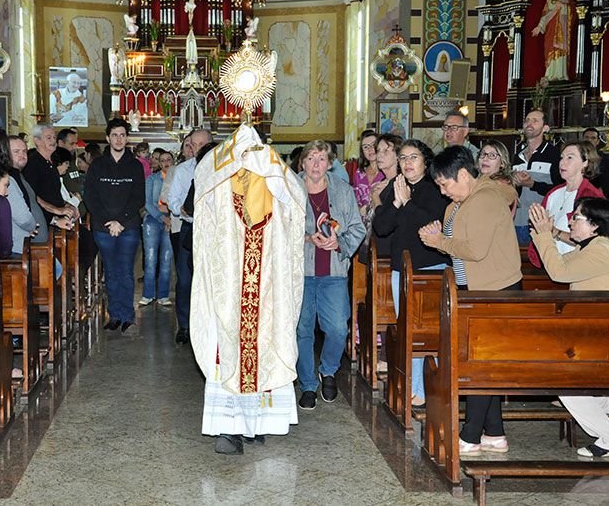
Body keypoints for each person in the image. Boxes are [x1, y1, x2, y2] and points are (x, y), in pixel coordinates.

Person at [190, 124, 305, 454]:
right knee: (226, 349)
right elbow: (202, 200)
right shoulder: (218, 170)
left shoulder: (275, 173)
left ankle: (258, 423)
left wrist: (268, 169)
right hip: (227, 282)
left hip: (268, 281)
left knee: (266, 345)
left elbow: (295, 205)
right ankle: (229, 428)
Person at [418, 145, 522, 456]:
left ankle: (471, 434)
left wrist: (441, 241)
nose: (442, 191)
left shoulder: (485, 198)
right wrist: (439, 239)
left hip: (496, 290)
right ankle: (494, 433)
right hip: (473, 288)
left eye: (445, 183)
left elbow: (475, 250)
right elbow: (457, 246)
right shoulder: (460, 202)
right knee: (484, 362)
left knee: (481, 365)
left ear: (463, 174)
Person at [528, 197, 609, 457]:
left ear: (595, 225)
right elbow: (564, 259)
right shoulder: (594, 246)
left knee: (566, 384)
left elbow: (559, 272)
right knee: (598, 397)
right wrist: (549, 233)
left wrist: (544, 235)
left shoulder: (601, 251)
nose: (571, 221)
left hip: (605, 337)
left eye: (577, 217)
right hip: (599, 335)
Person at [371, 139, 449, 407]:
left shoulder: (435, 188)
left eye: (413, 157)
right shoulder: (397, 186)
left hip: (430, 267)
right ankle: (414, 387)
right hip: (400, 269)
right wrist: (395, 202)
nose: (407, 163)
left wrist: (406, 203)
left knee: (429, 331)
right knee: (408, 329)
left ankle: (427, 389)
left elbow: (432, 224)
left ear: (425, 161)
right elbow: (381, 227)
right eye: (403, 158)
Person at [296, 140, 366, 410]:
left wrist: (339, 244)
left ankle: (328, 369)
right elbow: (278, 227)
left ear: (330, 163)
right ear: (303, 162)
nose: (316, 164)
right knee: (303, 329)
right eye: (311, 158)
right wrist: (307, 238)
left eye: (322, 159)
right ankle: (307, 384)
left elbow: (357, 228)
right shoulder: (290, 188)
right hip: (301, 271)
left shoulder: (342, 190)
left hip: (334, 271)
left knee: (337, 328)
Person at [83, 118, 145, 332]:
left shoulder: (135, 166)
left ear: (127, 139)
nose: (118, 139)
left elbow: (139, 198)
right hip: (103, 227)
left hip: (128, 227)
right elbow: (90, 196)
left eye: (122, 135)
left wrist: (121, 221)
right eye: (115, 135)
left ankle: (127, 315)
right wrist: (107, 221)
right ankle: (114, 315)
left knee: (125, 272)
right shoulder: (97, 165)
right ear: (107, 138)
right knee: (110, 272)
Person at [164, 129, 211, 344]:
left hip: (212, 230)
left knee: (208, 279)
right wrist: (180, 209)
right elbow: (172, 199)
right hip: (189, 228)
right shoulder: (183, 169)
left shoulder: (221, 168)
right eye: (193, 144)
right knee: (185, 279)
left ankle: (207, 325)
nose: (196, 148)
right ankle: (184, 325)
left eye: (201, 144)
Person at [527, 141, 603, 267]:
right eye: (562, 157)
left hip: (578, 265)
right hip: (550, 262)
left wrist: (554, 232)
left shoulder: (592, 196)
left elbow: (593, 241)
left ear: (585, 162)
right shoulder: (553, 193)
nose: (562, 162)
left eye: (570, 157)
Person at [511, 109, 562, 245]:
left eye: (535, 121)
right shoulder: (518, 156)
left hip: (542, 223)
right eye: (527, 120)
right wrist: (515, 183)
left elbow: (559, 189)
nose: (529, 123)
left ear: (545, 128)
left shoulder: (554, 154)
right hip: (518, 220)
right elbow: (515, 192)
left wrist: (532, 184)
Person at [23, 124, 79, 224]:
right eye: (48, 138)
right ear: (37, 141)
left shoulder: (51, 164)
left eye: (54, 138)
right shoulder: (32, 163)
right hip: (43, 220)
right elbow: (31, 196)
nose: (53, 141)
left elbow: (55, 196)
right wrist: (55, 215)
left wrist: (68, 206)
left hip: (58, 217)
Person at [140, 151, 174, 307]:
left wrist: (170, 217)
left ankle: (163, 296)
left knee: (166, 260)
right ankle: (147, 295)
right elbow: (147, 203)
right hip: (153, 221)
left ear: (173, 162)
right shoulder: (152, 179)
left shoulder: (177, 178)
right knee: (150, 259)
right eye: (163, 160)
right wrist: (162, 217)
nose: (166, 163)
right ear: (159, 164)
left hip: (172, 221)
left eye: (168, 160)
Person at [531, 0, 572, 81]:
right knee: (550, 49)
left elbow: (574, 11)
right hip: (550, 28)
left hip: (562, 27)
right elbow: (545, 13)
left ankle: (561, 74)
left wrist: (564, 6)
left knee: (560, 48)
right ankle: (550, 74)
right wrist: (540, 26)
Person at [7, 136, 41, 256]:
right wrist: (32, 226)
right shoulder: (8, 178)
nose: (22, 155)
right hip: (16, 244)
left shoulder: (19, 175)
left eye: (24, 151)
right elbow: (22, 216)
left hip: (24, 242)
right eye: (16, 152)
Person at [477, 140, 517, 215]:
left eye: (492, 155)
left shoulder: (504, 187)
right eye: (483, 154)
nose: (485, 159)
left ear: (502, 163)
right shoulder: (478, 182)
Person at [351, 131, 384, 215]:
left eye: (373, 145)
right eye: (366, 147)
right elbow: (354, 201)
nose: (370, 149)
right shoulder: (359, 173)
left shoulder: (386, 172)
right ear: (362, 152)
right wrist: (359, 210)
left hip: (383, 218)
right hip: (362, 220)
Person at [582, 127, 609, 196]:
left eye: (593, 138)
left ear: (597, 141)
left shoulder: (606, 158)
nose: (589, 140)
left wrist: (599, 192)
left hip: (597, 194)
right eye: (586, 137)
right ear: (582, 139)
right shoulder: (576, 156)